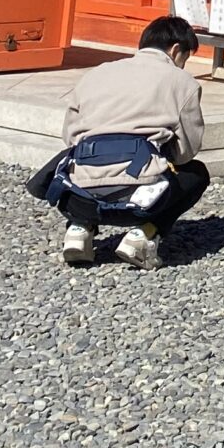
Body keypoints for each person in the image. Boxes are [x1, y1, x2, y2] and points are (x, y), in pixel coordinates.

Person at [31, 15, 210, 269]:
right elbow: (186, 150)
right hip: (142, 199)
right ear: (175, 50)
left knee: (78, 162)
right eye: (184, 59)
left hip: (77, 194)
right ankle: (144, 234)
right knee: (196, 173)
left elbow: (70, 135)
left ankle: (79, 228)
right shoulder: (182, 82)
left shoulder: (97, 73)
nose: (182, 65)